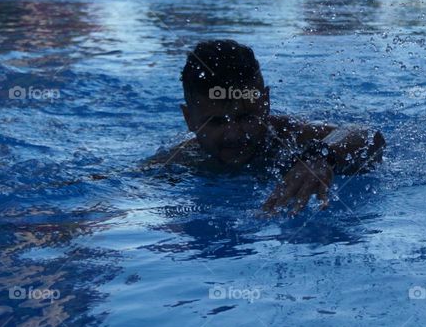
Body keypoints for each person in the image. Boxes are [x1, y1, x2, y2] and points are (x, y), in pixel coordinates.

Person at [157, 40, 384, 216]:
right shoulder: (181, 160)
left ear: (265, 104)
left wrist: (321, 157)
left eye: (246, 117)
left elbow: (368, 135)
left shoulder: (292, 137)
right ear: (189, 119)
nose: (235, 134)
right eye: (216, 122)